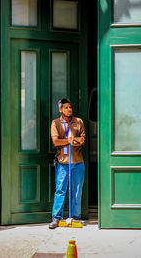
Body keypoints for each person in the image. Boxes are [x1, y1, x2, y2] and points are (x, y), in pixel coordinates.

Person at [49, 98, 86, 229]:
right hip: (63, 162)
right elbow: (56, 141)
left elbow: (82, 139)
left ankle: (76, 217)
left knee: (77, 190)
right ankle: (56, 218)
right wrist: (69, 141)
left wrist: (72, 140)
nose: (69, 109)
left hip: (78, 161)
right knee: (60, 190)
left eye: (70, 107)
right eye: (66, 108)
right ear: (60, 109)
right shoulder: (56, 123)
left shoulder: (79, 122)